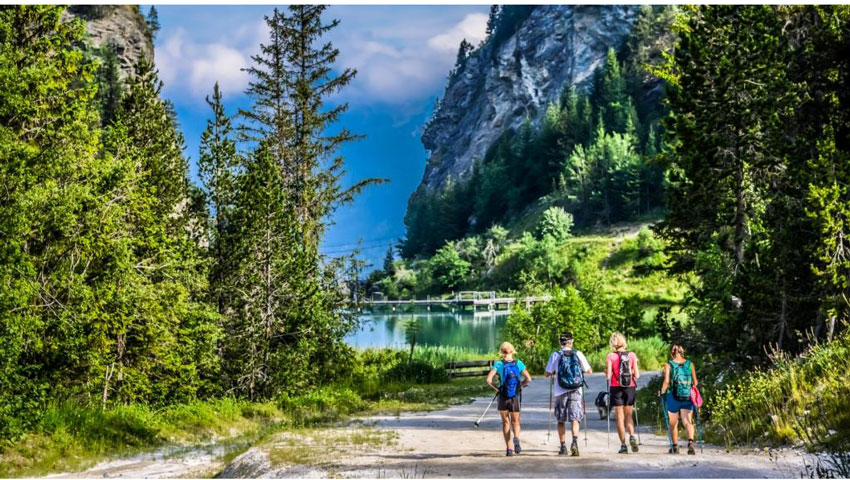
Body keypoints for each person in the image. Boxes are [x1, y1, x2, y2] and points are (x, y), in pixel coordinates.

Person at [544, 331, 592, 456]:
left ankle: (563, 446)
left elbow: (547, 374)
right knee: (575, 418)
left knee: (561, 419)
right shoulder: (578, 354)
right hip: (576, 389)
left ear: (560, 342)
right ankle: (575, 442)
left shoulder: (555, 355)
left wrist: (553, 372)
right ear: (571, 341)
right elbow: (589, 370)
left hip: (560, 390)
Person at [486, 341, 532, 456]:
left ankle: (509, 449)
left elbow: (488, 380)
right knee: (515, 422)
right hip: (514, 397)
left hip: (503, 397)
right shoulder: (519, 363)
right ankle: (516, 437)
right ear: (513, 351)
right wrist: (519, 386)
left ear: (502, 352)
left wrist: (498, 389)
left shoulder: (499, 364)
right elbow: (529, 379)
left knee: (506, 422)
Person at [659, 343, 699, 455]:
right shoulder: (690, 364)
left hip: (673, 396)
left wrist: (662, 391)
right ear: (683, 351)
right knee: (687, 421)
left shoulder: (669, 365)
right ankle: (690, 443)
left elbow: (666, 381)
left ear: (672, 352)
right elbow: (695, 382)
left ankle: (675, 447)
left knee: (673, 422)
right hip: (687, 396)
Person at [606, 332, 640, 454]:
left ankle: (623, 445)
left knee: (619, 418)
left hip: (616, 388)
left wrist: (607, 372)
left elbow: (608, 376)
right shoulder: (632, 355)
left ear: (613, 342)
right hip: (629, 387)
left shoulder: (610, 356)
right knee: (629, 416)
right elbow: (637, 375)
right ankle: (632, 435)